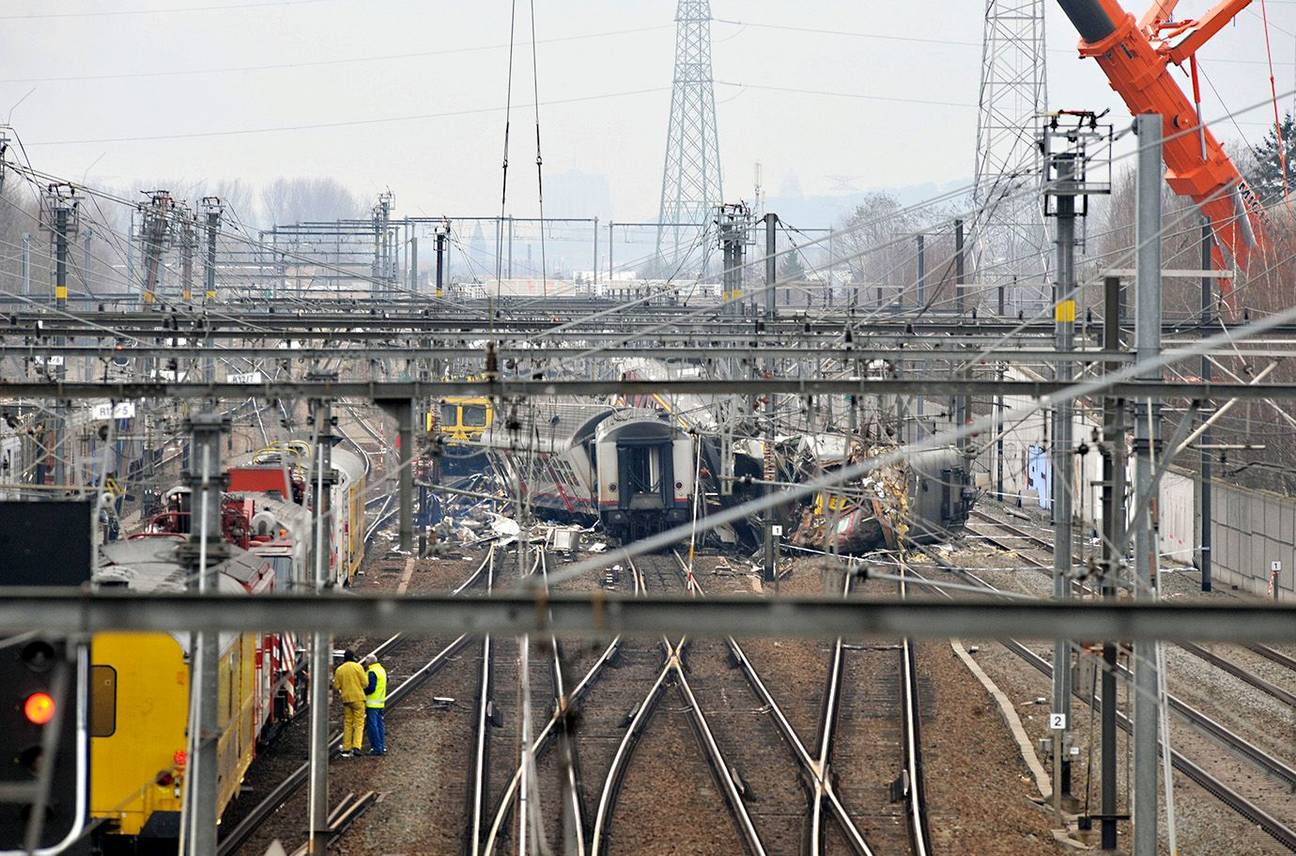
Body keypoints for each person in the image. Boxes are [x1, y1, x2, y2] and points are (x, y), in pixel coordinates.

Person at [332, 649, 367, 757]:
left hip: (346, 699)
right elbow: (365, 683)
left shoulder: (339, 669)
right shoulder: (358, 667)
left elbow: (336, 686)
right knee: (359, 723)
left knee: (347, 723)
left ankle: (346, 748)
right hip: (358, 698)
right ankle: (356, 746)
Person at [362, 653, 387, 756]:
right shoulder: (381, 670)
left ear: (369, 662)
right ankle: (381, 746)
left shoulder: (372, 672)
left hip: (372, 703)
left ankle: (376, 748)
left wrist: (362, 691)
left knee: (373, 726)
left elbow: (371, 688)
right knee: (380, 725)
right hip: (380, 702)